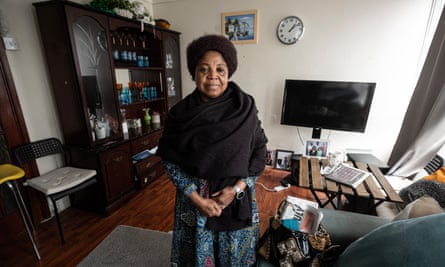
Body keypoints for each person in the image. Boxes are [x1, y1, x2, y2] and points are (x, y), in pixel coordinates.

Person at [157, 34, 267, 266]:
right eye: (204, 69)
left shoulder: (244, 107)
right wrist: (196, 199)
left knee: (234, 258)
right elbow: (169, 160)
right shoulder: (180, 114)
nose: (212, 76)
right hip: (195, 202)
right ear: (194, 73)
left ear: (229, 73)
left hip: (236, 200)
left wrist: (236, 190)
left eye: (220, 69)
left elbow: (259, 152)